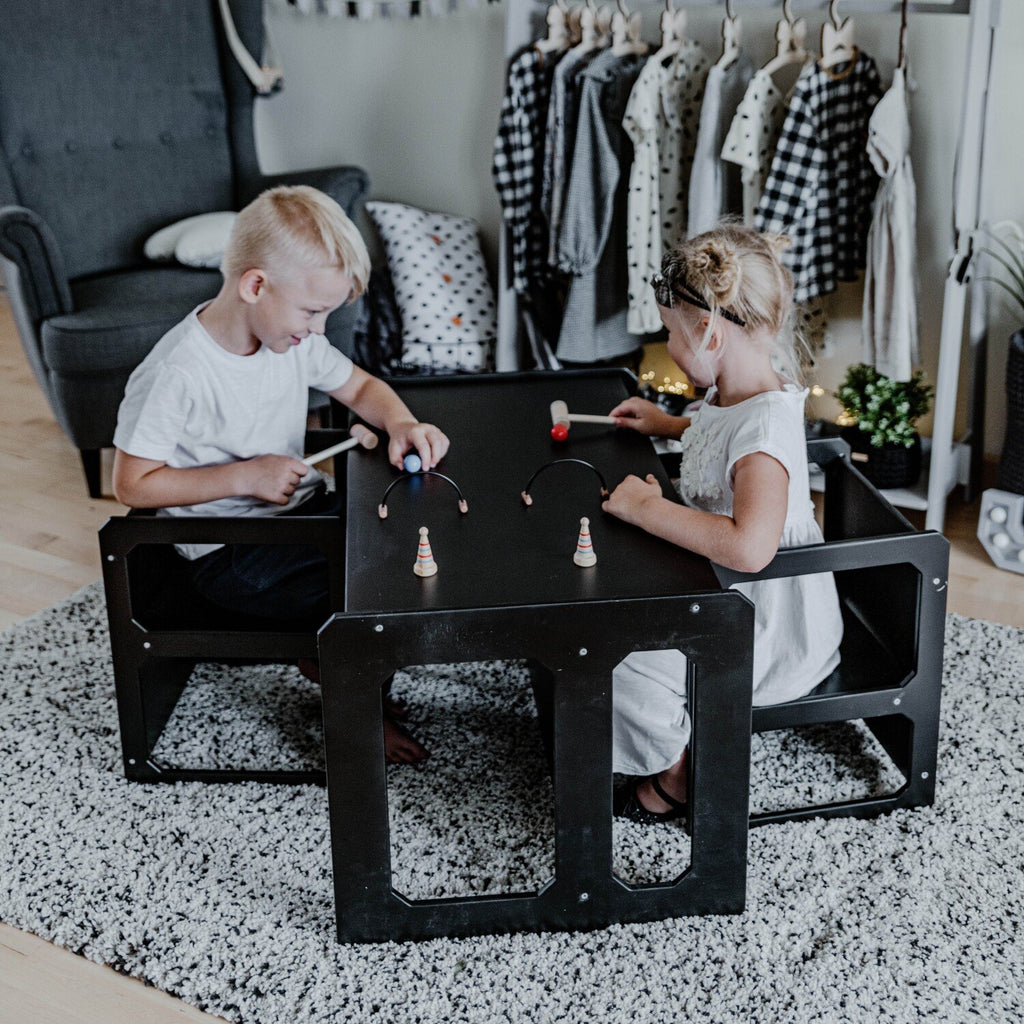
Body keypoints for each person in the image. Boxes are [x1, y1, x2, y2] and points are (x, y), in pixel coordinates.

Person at [112, 185, 449, 765]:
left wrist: (400, 423)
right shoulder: (178, 372)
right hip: (230, 555)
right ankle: (354, 715)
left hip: (295, 519)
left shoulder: (291, 341)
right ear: (255, 285)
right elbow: (132, 483)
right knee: (364, 582)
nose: (318, 329)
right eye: (312, 311)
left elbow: (363, 387)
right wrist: (243, 477)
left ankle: (341, 666)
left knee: (399, 533)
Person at [602, 224, 844, 823]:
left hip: (763, 625)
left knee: (614, 656)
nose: (668, 345)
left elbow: (751, 547)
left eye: (669, 334)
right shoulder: (739, 390)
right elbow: (720, 440)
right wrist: (668, 425)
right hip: (720, 590)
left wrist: (647, 510)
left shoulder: (764, 437)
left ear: (709, 332)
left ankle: (678, 770)